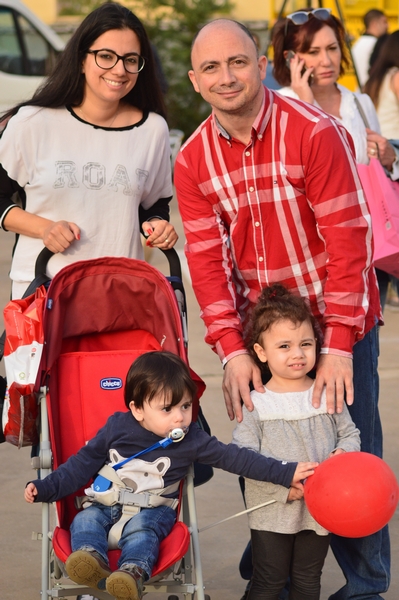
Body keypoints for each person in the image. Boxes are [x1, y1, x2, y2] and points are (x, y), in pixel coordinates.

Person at [174, 17, 387, 600]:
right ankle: (272, 576)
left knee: (349, 449)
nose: (226, 76)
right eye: (212, 67)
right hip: (262, 341)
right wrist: (232, 351)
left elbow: (350, 241)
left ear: (261, 65)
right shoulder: (193, 160)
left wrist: (340, 341)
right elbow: (208, 267)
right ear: (195, 80)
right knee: (267, 451)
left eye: (237, 62)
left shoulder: (315, 132)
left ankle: (366, 585)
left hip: (331, 326)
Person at [24, 350, 317, 600]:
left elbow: (236, 458)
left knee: (142, 533)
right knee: (85, 519)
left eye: (186, 406)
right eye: (167, 409)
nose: (180, 417)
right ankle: (91, 558)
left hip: (153, 511)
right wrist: (45, 487)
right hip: (105, 502)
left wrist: (284, 472)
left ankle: (133, 572)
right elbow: (81, 465)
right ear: (137, 409)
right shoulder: (117, 428)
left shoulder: (192, 440)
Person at [0, 2, 178, 300]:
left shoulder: (152, 131)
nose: (119, 70)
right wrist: (45, 228)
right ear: (81, 60)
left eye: (130, 59)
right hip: (42, 295)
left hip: (119, 297)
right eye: (106, 56)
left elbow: (153, 208)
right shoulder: (32, 123)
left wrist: (158, 228)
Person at [232, 283, 360, 600]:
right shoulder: (255, 403)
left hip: (319, 509)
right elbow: (244, 457)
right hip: (273, 509)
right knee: (269, 581)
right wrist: (281, 485)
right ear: (261, 352)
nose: (298, 354)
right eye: (284, 346)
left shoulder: (326, 393)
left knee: (307, 580)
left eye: (305, 343)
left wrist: (343, 455)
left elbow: (350, 433)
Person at [272, 9, 399, 311]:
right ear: (292, 58)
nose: (327, 61)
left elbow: (379, 174)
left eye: (332, 48)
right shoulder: (281, 105)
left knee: (367, 351)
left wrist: (390, 157)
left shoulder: (359, 102)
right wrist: (308, 104)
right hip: (309, 253)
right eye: (313, 52)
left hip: (368, 249)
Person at [351, 9, 388, 88]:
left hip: (359, 92)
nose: (387, 26)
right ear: (374, 24)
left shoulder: (357, 44)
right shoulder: (377, 45)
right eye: (384, 22)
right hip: (372, 92)